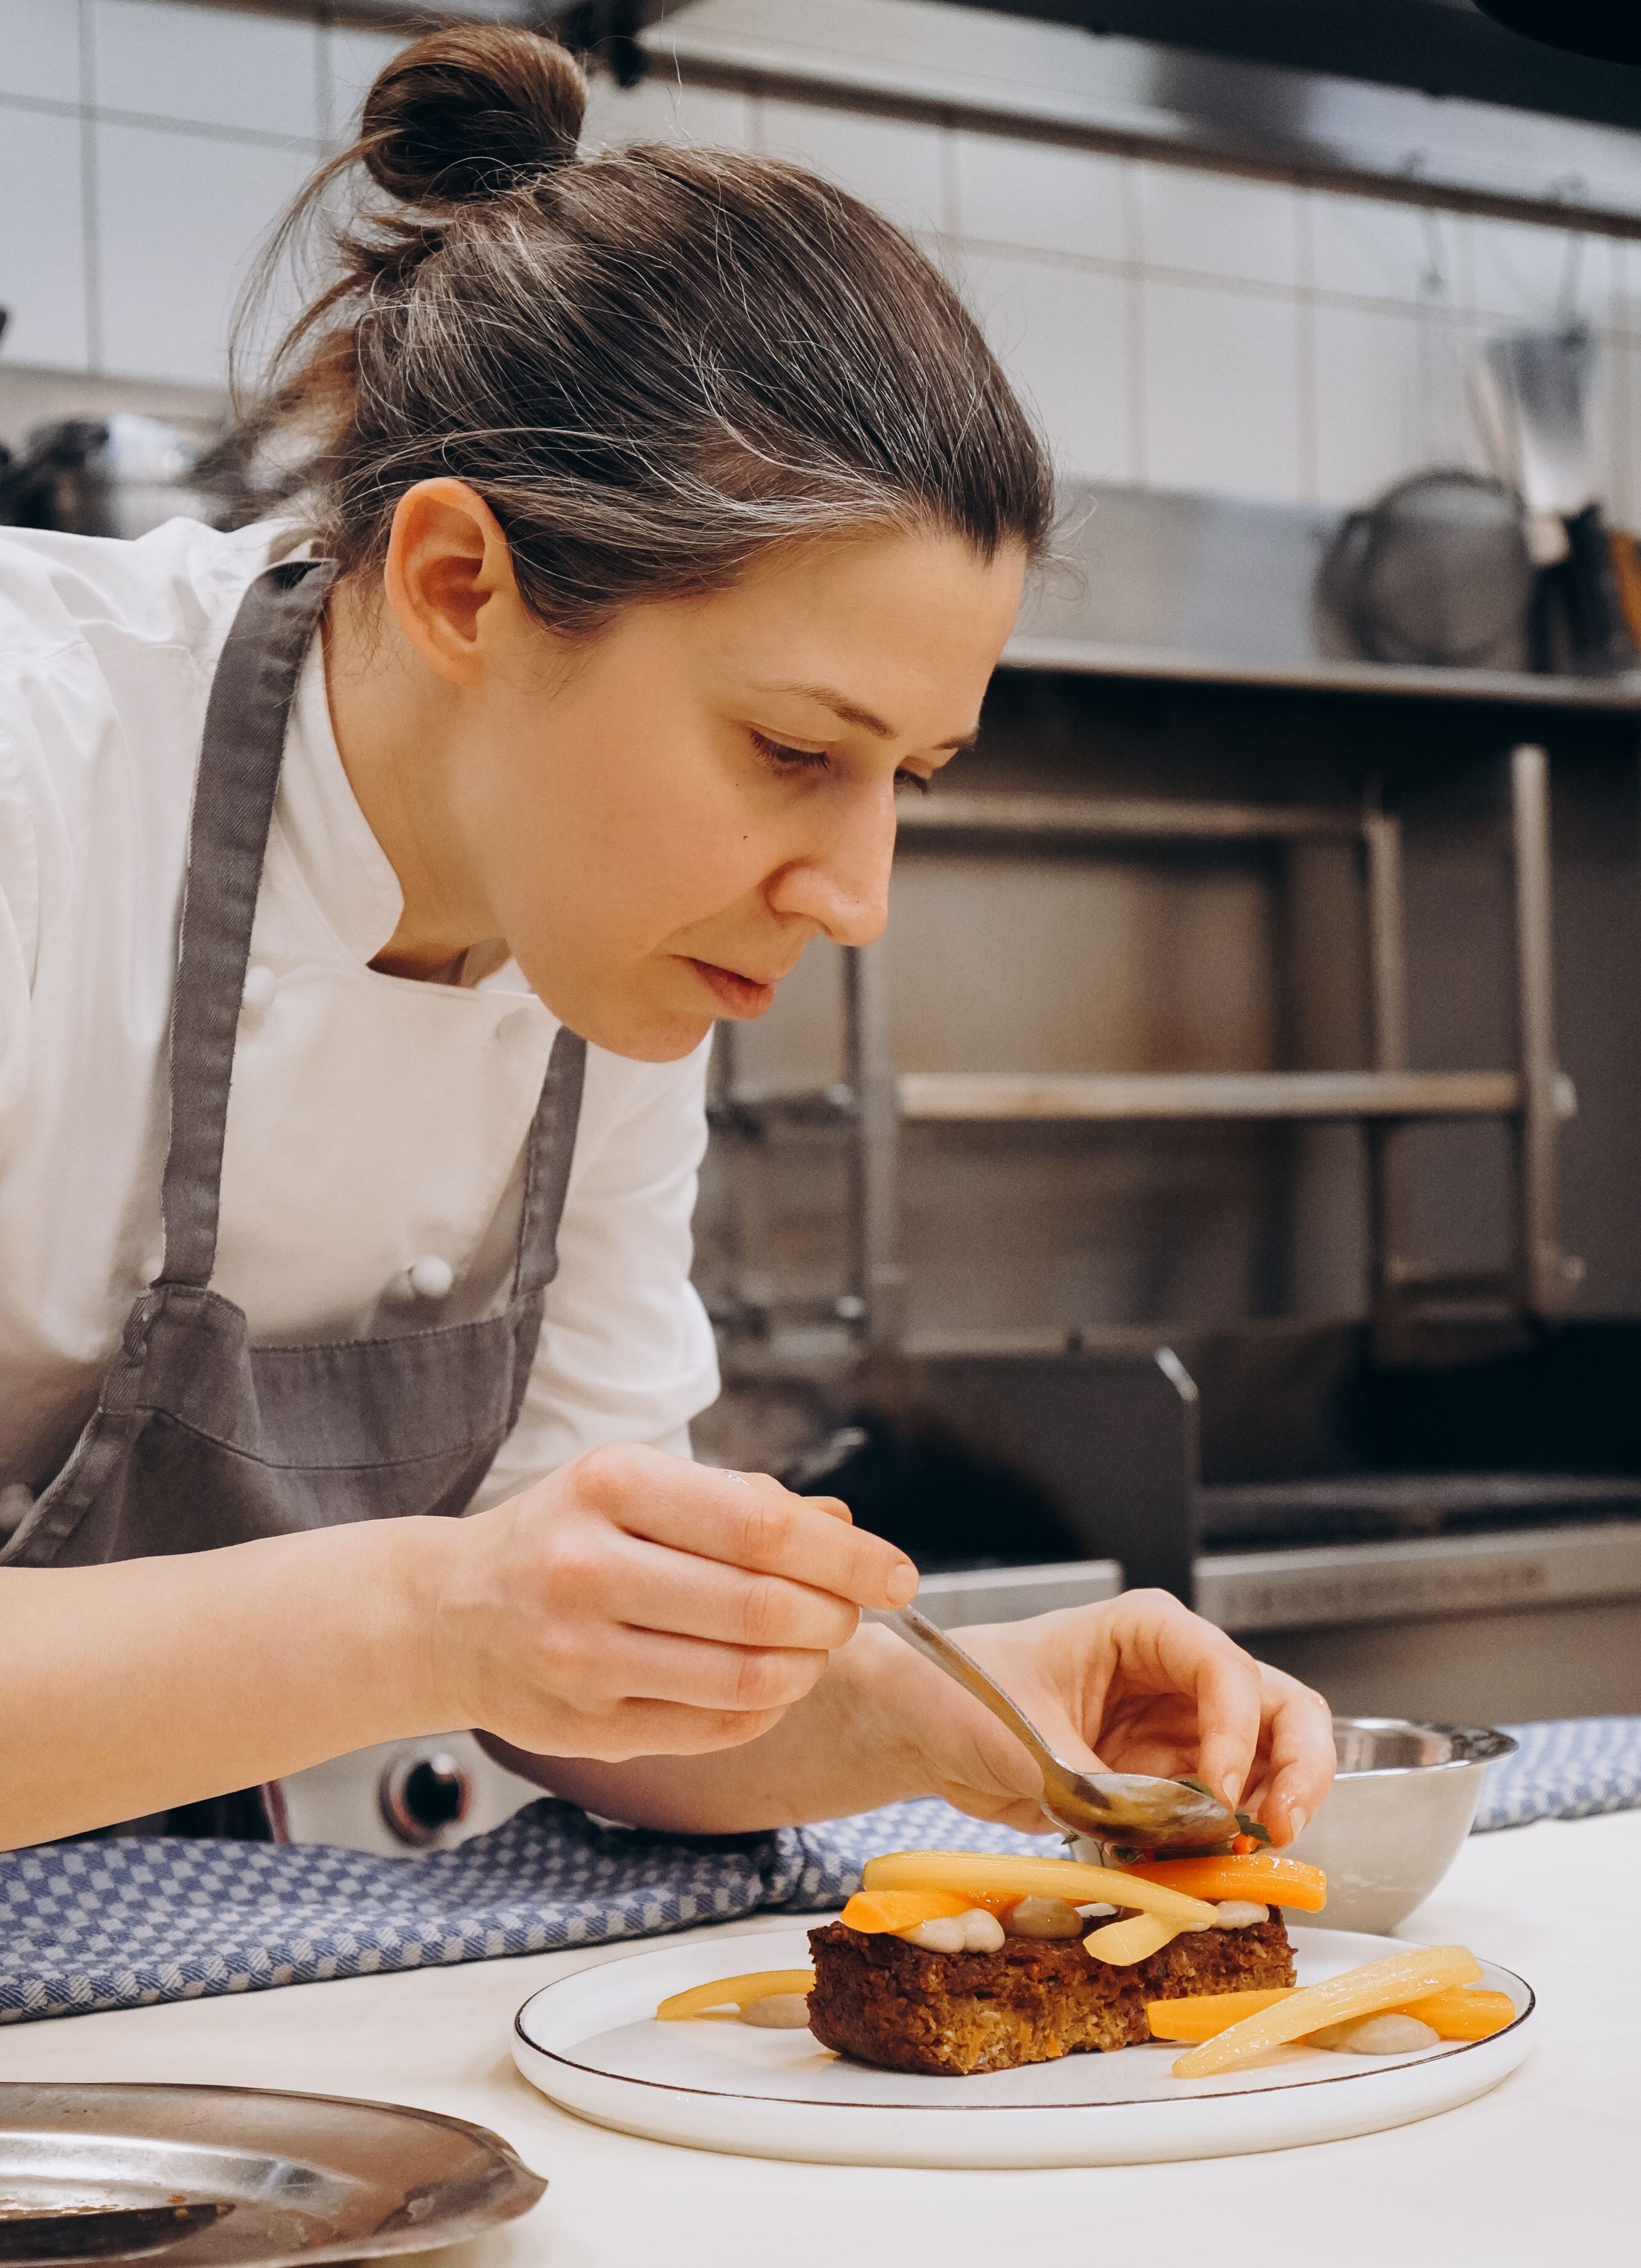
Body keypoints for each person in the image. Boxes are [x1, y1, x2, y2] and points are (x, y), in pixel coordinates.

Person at [0, 26, 1334, 1855]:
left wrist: (950, 1709)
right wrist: (442, 1614)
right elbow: (486, 1625)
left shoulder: (607, 945)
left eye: (907, 782)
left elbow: (592, 1669)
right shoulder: (33, 780)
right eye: (794, 751)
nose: (853, 896)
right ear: (459, 584)